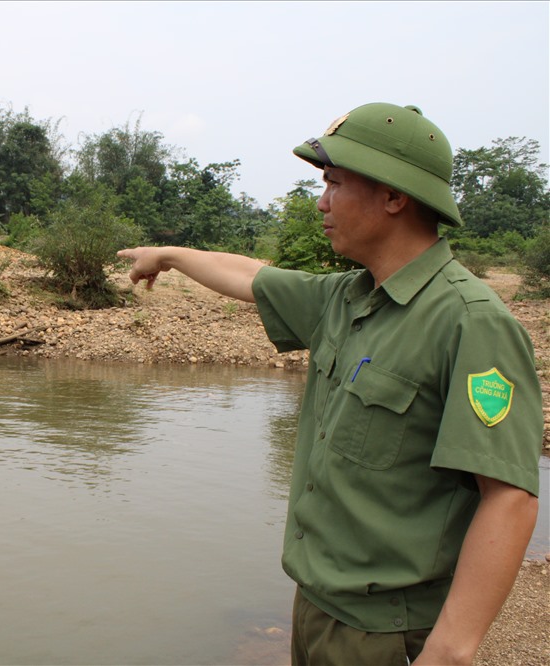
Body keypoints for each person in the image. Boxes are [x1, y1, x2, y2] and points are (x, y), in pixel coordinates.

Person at [118, 103, 542, 666]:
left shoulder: (470, 321)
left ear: (394, 197)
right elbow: (252, 276)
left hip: (387, 632)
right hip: (317, 607)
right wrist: (169, 254)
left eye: (335, 183)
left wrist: (450, 651)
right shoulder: (348, 299)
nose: (321, 202)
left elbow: (510, 496)